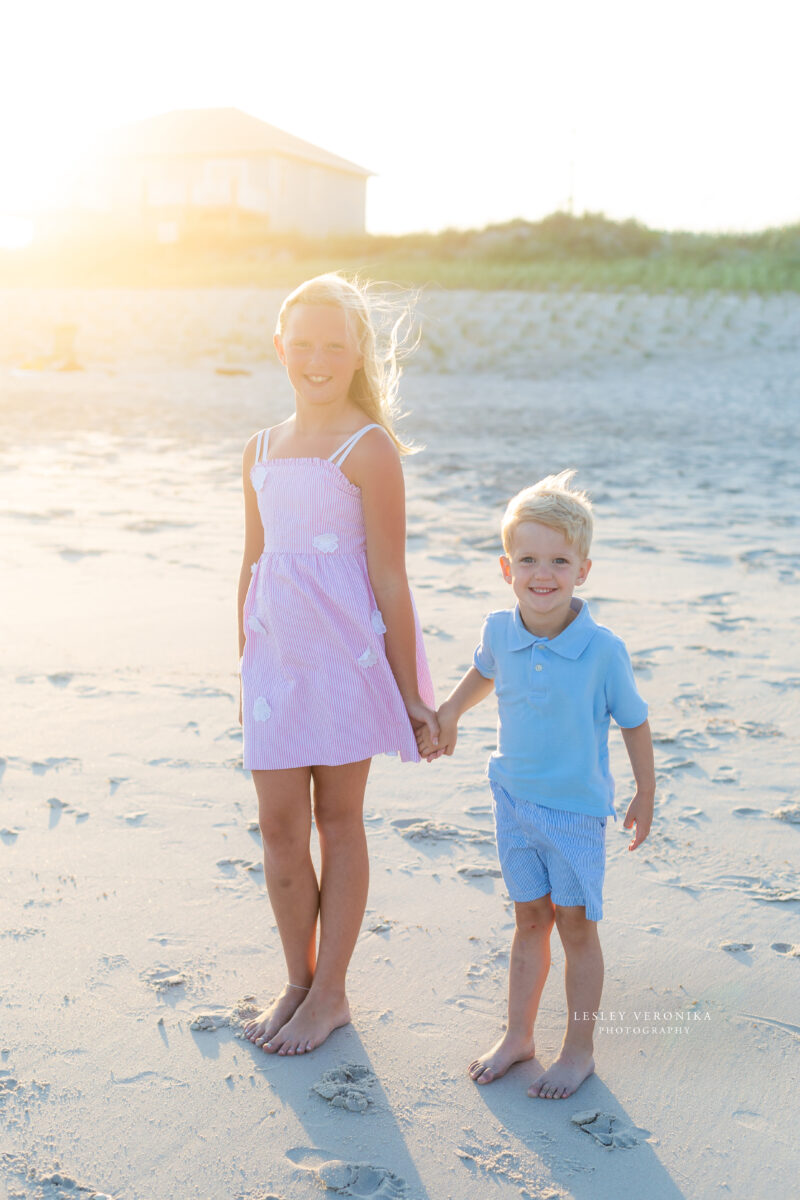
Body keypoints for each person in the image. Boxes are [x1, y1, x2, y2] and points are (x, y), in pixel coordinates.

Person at [239, 274, 437, 1057]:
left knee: (337, 818)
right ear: (280, 347)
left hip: (347, 659)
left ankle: (333, 994)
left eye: (334, 345)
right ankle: (299, 978)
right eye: (304, 344)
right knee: (280, 827)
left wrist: (413, 692)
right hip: (275, 664)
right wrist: (246, 653)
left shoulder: (369, 448)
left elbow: (390, 577)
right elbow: (253, 561)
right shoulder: (257, 447)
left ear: (356, 353)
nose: (317, 359)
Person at [416, 470, 654, 1099]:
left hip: (575, 814)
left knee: (575, 927)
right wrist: (449, 714)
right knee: (528, 921)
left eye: (558, 560)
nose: (541, 574)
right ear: (505, 567)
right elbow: (482, 673)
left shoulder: (603, 649)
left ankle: (579, 1050)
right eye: (528, 559)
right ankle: (518, 1035)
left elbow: (634, 721)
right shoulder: (500, 629)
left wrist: (645, 793)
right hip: (513, 801)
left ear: (583, 569)